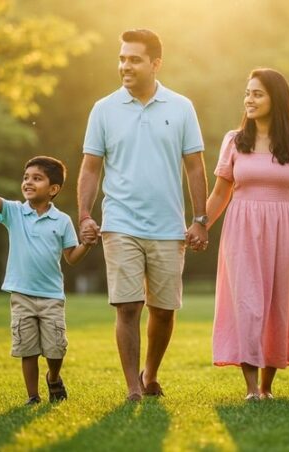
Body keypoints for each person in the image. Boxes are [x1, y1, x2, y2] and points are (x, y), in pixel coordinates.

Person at [77, 29, 208, 402]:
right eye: (121, 58)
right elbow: (90, 168)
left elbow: (195, 167)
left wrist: (200, 219)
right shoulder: (103, 109)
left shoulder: (181, 107)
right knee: (129, 306)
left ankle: (150, 373)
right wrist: (85, 215)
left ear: (155, 63)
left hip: (168, 226)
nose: (124, 66)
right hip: (120, 223)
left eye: (133, 59)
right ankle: (133, 386)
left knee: (163, 311)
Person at [205, 68, 289, 401]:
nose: (249, 100)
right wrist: (199, 226)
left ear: (276, 99)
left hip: (285, 227)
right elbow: (220, 194)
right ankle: (252, 388)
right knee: (248, 304)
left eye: (257, 93)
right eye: (247, 93)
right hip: (241, 228)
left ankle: (268, 386)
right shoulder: (234, 140)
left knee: (277, 306)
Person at [0, 156, 91, 405]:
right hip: (22, 295)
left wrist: (87, 244)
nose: (28, 182)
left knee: (56, 348)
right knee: (28, 349)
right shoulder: (15, 212)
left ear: (53, 189)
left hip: (51, 296)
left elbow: (71, 258)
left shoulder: (62, 221)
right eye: (26, 178)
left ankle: (54, 377)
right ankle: (33, 397)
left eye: (37, 178)